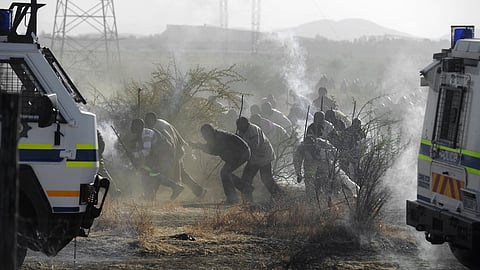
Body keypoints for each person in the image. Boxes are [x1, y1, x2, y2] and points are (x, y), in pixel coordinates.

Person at [144, 112, 207, 199]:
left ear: (152, 119)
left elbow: (169, 143)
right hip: (175, 151)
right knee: (181, 174)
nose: (146, 123)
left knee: (157, 172)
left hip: (173, 152)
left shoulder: (158, 127)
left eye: (147, 120)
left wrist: (170, 160)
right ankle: (200, 191)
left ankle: (151, 195)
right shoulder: (159, 124)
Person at [191, 124, 251, 205]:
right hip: (237, 153)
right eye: (204, 136)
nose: (205, 138)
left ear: (211, 132)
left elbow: (215, 151)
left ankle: (232, 198)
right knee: (226, 173)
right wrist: (199, 146)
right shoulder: (215, 136)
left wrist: (199, 146)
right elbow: (213, 148)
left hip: (242, 153)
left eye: (206, 135)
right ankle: (244, 189)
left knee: (225, 172)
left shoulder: (219, 137)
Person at [130, 118, 184, 201]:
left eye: (133, 125)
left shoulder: (146, 135)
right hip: (158, 156)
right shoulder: (140, 135)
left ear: (139, 126)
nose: (131, 127)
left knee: (152, 174)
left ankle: (173, 188)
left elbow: (146, 151)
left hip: (163, 155)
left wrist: (134, 155)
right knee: (148, 173)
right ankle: (151, 194)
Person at [235, 117, 283, 203]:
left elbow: (254, 145)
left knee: (266, 179)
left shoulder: (253, 130)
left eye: (239, 126)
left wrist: (240, 140)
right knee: (246, 179)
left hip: (263, 157)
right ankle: (248, 202)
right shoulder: (243, 131)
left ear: (245, 124)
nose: (239, 128)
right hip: (255, 158)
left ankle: (280, 197)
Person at [293, 135, 335, 206]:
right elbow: (297, 160)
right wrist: (298, 174)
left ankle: (327, 204)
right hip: (311, 170)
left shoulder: (322, 143)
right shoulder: (302, 147)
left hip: (323, 168)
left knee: (325, 188)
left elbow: (334, 152)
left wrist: (327, 153)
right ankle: (313, 206)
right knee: (310, 189)